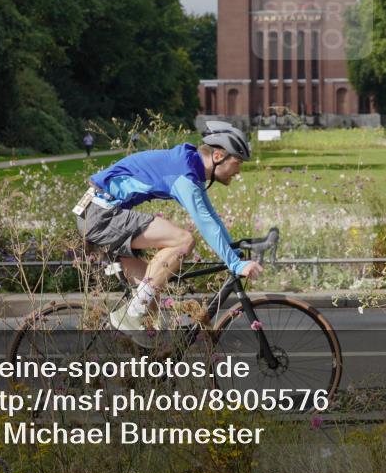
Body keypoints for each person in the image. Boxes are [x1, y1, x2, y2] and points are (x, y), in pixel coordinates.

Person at [72, 122, 262, 346]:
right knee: (183, 240)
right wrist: (235, 264)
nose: (239, 171)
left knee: (151, 299)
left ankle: (147, 372)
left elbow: (211, 216)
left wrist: (232, 250)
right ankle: (132, 314)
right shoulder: (184, 174)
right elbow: (204, 223)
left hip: (95, 213)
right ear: (219, 155)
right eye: (237, 162)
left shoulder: (191, 168)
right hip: (100, 214)